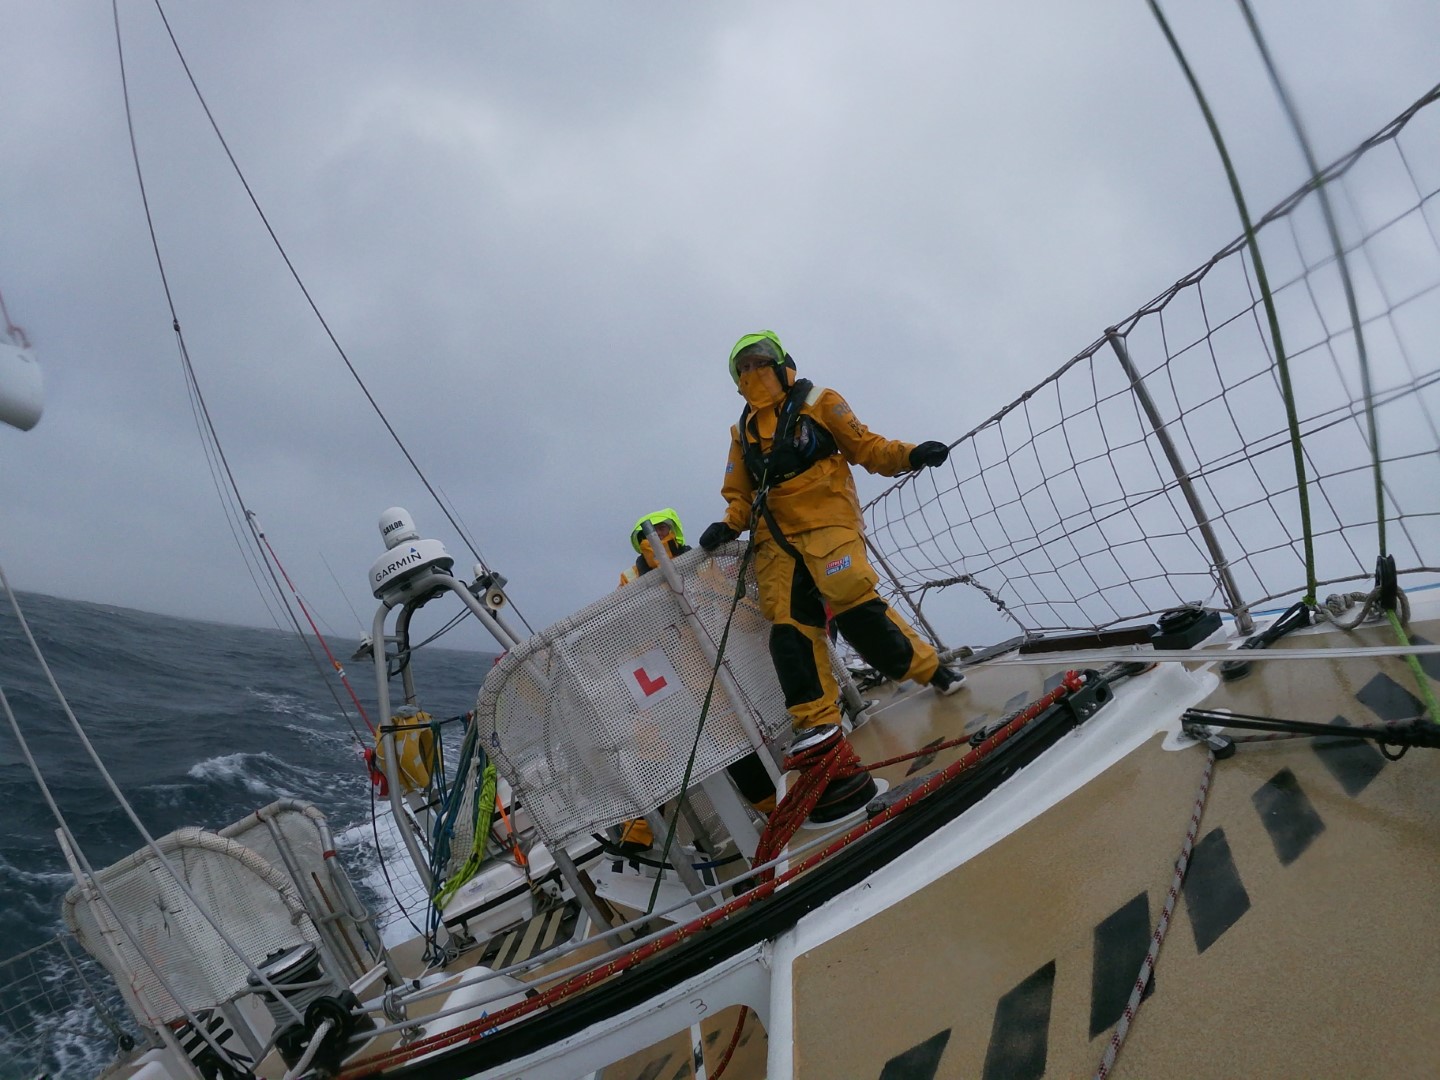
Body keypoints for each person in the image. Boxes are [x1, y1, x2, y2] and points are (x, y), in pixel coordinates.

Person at [698, 331, 965, 819]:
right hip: (774, 539)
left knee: (854, 603)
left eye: (760, 362)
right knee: (789, 630)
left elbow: (865, 447)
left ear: (783, 364)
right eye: (743, 368)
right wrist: (727, 524)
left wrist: (910, 455)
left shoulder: (822, 401)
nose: (752, 373)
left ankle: (929, 668)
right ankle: (817, 723)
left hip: (827, 521)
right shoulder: (742, 432)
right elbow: (739, 491)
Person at [615, 507, 777, 854]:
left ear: (676, 529)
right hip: (667, 679)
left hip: (715, 669)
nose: (658, 536)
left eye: (664, 529)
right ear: (638, 542)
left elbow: (731, 603)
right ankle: (637, 836)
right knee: (647, 744)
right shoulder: (630, 577)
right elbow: (628, 628)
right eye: (649, 533)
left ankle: (777, 814)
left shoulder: (703, 562)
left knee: (738, 744)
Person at [618, 508, 689, 587]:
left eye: (662, 528)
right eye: (651, 530)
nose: (657, 533)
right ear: (642, 536)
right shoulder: (628, 577)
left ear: (671, 530)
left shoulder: (690, 557)